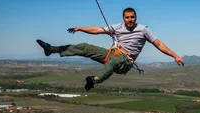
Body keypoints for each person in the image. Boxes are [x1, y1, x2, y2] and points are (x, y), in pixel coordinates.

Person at [36, 7, 184, 90]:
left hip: (125, 62)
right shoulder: (118, 27)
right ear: (123, 18)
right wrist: (80, 28)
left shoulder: (143, 30)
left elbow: (158, 44)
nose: (130, 20)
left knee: (114, 62)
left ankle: (94, 80)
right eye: (127, 17)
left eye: (132, 17)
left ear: (136, 17)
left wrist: (174, 56)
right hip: (112, 54)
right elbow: (97, 30)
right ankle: (52, 49)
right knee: (85, 47)